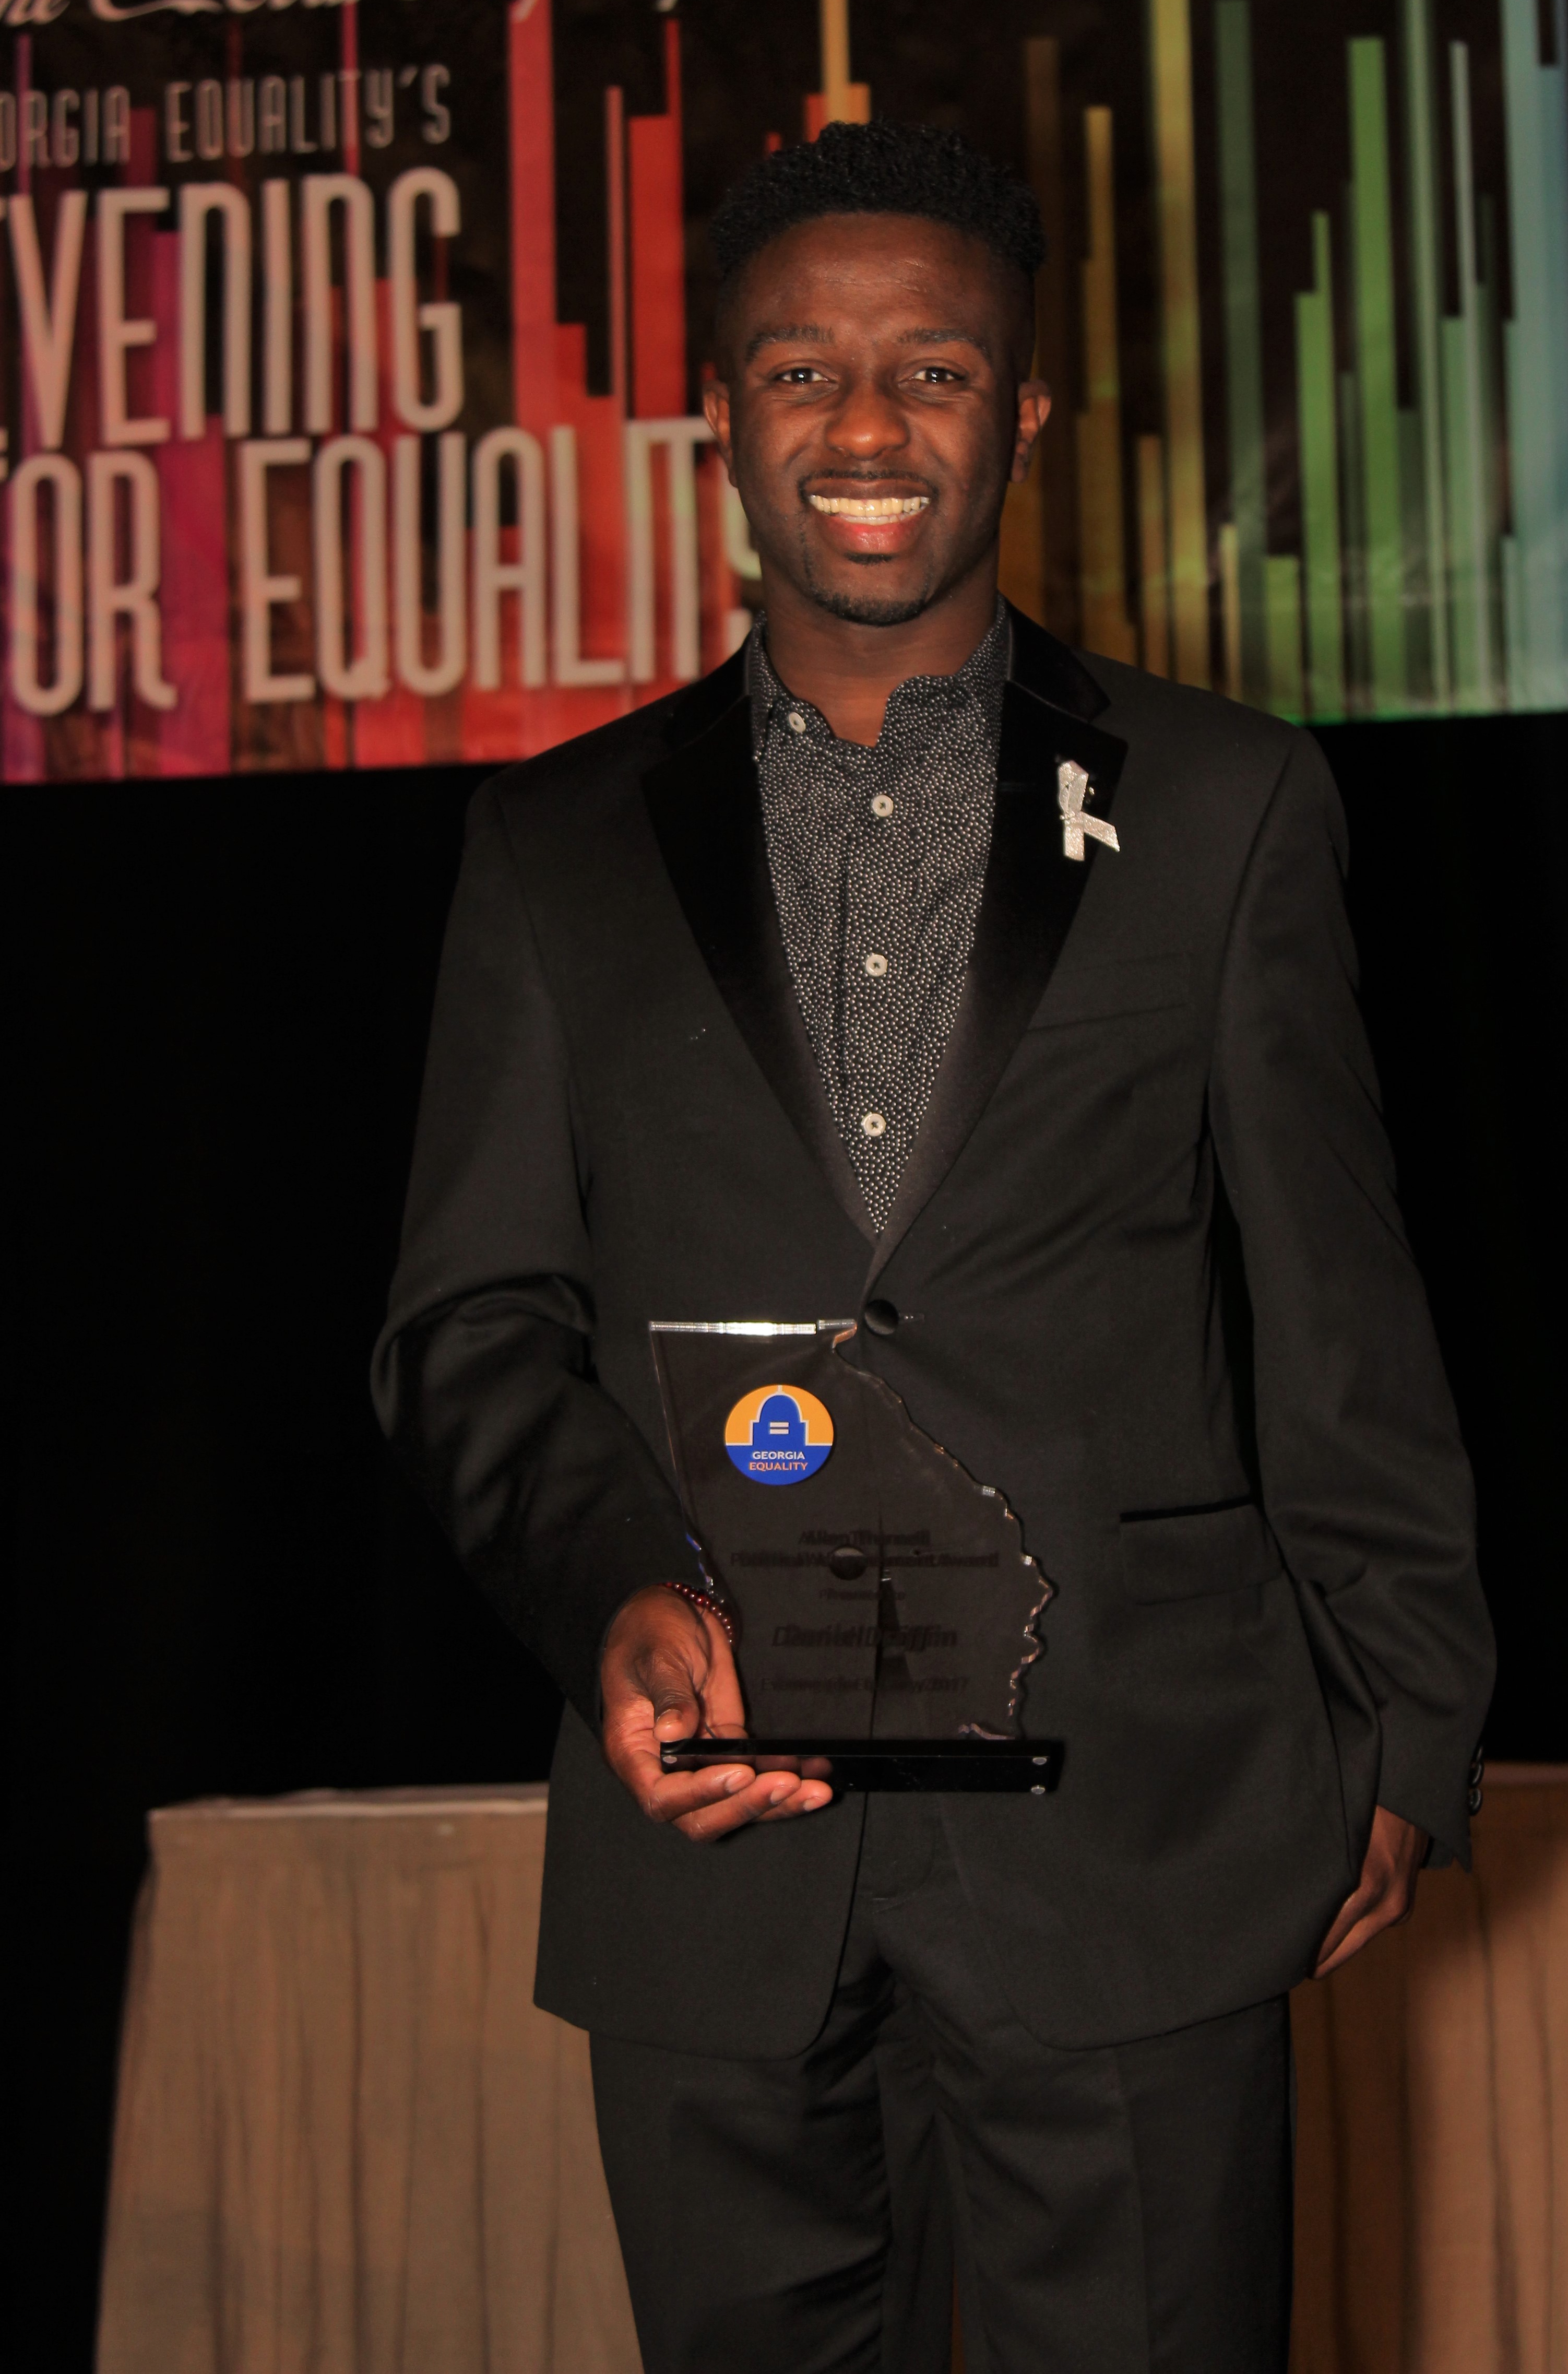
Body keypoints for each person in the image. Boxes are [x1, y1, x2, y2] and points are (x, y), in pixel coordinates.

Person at [374, 118, 1493, 2374]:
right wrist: (616, 1592)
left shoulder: (1226, 804)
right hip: (720, 1838)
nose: (867, 427)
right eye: (804, 370)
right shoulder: (556, 847)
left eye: (936, 371)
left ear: (1027, 409)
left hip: (1143, 1814)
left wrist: (1406, 1716)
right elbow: (470, 1331)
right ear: (720, 413)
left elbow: (1335, 1304)